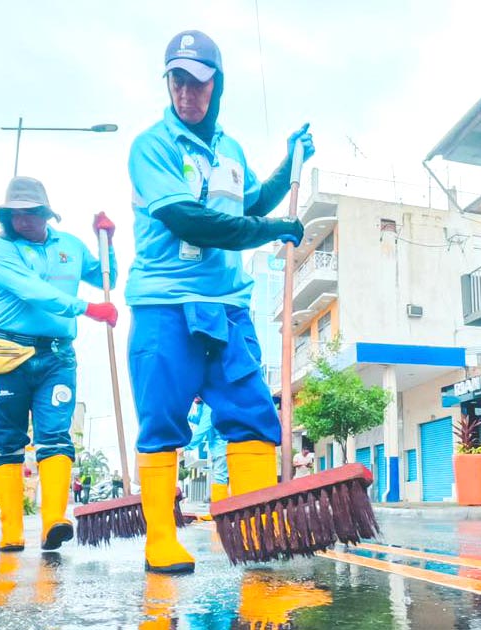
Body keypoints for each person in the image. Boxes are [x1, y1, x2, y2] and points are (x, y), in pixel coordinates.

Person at [126, 30, 313, 574]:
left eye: (198, 82)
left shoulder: (230, 150)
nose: (186, 93)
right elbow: (191, 219)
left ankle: (256, 529)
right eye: (177, 81)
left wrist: (289, 163)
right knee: (162, 420)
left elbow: (250, 202)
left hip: (227, 307)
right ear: (168, 83)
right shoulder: (151, 146)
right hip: (165, 304)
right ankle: (160, 537)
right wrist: (267, 230)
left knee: (254, 414)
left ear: (217, 85)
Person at [0, 175, 119, 552]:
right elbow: (33, 291)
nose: (23, 221)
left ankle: (53, 521)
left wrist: (108, 242)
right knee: (7, 441)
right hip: (7, 354)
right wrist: (86, 308)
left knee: (55, 436)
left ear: (45, 213)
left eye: (31, 213)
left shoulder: (70, 246)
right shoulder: (1, 249)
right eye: (15, 215)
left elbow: (106, 276)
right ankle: (12, 531)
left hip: (57, 355)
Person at [186, 397, 228, 517]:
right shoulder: (205, 406)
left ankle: (219, 514)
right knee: (219, 478)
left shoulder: (209, 406)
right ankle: (218, 511)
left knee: (220, 478)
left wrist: (186, 447)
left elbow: (202, 429)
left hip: (221, 447)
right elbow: (198, 420)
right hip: (217, 448)